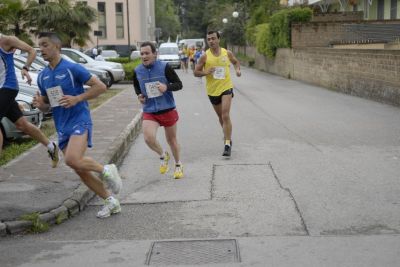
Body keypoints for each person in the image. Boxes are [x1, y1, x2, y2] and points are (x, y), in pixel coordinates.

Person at [33, 32, 122, 218]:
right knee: (79, 169)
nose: (41, 49)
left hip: (79, 118)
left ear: (57, 47)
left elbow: (100, 87)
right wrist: (42, 106)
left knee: (72, 159)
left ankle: (107, 170)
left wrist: (78, 98)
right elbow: (48, 105)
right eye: (39, 45)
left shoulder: (72, 68)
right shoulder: (42, 76)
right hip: (62, 125)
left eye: (45, 45)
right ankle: (110, 201)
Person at [0, 33, 59, 166]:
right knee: (22, 125)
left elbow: (31, 51)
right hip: (2, 91)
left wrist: (25, 68)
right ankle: (51, 147)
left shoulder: (7, 40)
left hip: (8, 86)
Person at [132, 41, 184, 179]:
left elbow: (179, 84)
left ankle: (178, 164)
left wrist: (166, 87)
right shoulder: (137, 70)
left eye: (147, 53)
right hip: (150, 110)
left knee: (171, 140)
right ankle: (163, 155)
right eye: (142, 53)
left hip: (167, 108)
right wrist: (139, 96)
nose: (144, 56)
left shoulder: (165, 67)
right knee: (148, 138)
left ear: (155, 54)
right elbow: (137, 86)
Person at [194, 31, 241, 157]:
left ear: (218, 39)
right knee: (221, 117)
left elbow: (236, 62)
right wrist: (206, 72)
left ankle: (227, 143)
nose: (211, 41)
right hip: (212, 90)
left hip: (226, 87)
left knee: (225, 115)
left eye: (213, 38)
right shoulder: (205, 56)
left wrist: (237, 70)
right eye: (208, 39)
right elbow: (196, 72)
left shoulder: (227, 53)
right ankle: (228, 136)